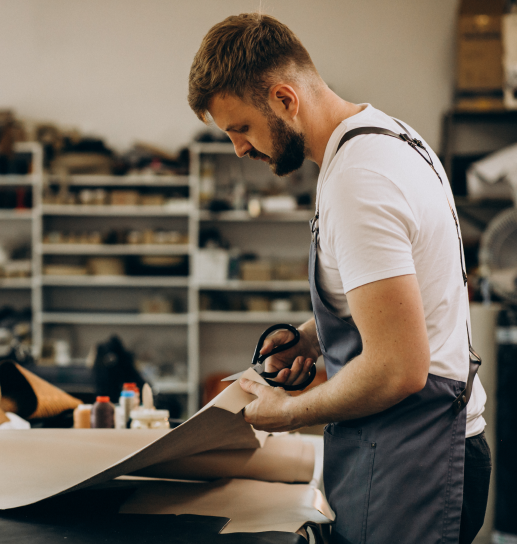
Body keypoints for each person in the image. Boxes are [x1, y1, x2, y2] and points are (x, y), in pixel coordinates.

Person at [188, 12, 491, 544]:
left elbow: (397, 368)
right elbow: (395, 292)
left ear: (285, 99)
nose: (238, 147)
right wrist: (308, 337)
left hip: (414, 457)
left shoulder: (359, 179)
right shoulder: (385, 137)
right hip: (407, 446)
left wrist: (286, 412)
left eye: (241, 128)